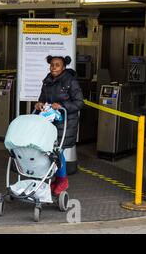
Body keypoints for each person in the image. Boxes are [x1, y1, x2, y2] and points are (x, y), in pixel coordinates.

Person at [34, 55, 83, 196]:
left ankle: (62, 180)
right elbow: (42, 99)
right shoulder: (47, 81)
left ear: (63, 67)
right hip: (49, 122)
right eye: (52, 64)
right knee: (47, 150)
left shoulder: (70, 81)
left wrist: (62, 106)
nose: (54, 67)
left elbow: (79, 103)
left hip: (65, 123)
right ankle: (54, 178)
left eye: (57, 65)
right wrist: (39, 104)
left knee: (57, 151)